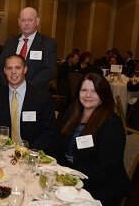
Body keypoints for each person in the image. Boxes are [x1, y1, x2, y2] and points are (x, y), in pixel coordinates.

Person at [54, 73, 130, 205]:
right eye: (84, 90)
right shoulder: (72, 113)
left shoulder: (112, 123)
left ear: (103, 95)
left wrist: (73, 182)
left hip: (99, 186)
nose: (88, 95)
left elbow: (105, 167)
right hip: (68, 178)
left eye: (94, 91)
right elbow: (57, 144)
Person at [0, 54, 56, 152]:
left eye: (17, 68)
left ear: (25, 70)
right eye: (9, 68)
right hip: (2, 151)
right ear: (5, 71)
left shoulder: (42, 98)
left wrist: (27, 150)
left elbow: (49, 131)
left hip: (32, 152)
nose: (13, 72)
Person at [0, 7, 57, 89]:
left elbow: (49, 71)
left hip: (35, 94)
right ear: (19, 22)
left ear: (37, 21)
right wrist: (7, 87)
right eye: (23, 20)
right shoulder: (10, 42)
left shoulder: (48, 43)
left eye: (30, 20)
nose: (26, 23)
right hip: (9, 93)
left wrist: (25, 88)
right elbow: (1, 67)